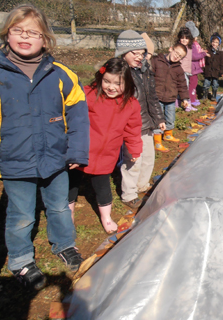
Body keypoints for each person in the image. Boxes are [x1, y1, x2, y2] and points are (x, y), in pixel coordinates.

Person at [0, 4, 88, 290]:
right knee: (22, 214)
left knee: (60, 207)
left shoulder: (61, 74)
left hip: (55, 158)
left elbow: (78, 115)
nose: (25, 36)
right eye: (18, 30)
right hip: (15, 160)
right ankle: (20, 260)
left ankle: (65, 244)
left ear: (45, 39)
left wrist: (76, 151)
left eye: (33, 32)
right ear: (7, 34)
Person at [68, 58, 142, 234]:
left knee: (103, 187)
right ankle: (67, 215)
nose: (111, 87)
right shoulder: (88, 95)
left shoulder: (130, 104)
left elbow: (133, 130)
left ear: (127, 83)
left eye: (118, 83)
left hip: (106, 155)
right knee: (70, 184)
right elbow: (71, 115)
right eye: (107, 81)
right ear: (100, 78)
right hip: (81, 151)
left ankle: (106, 217)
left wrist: (134, 149)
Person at [116, 30, 166, 209]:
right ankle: (129, 194)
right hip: (131, 125)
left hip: (147, 123)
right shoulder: (120, 74)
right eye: (134, 53)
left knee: (148, 158)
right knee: (133, 160)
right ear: (123, 53)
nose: (139, 57)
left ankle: (142, 184)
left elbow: (152, 97)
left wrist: (159, 118)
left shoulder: (145, 71)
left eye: (142, 53)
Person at [151, 43, 190, 147]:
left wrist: (185, 98)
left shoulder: (178, 69)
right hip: (157, 97)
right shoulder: (156, 61)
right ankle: (157, 140)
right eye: (176, 53)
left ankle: (168, 134)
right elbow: (149, 76)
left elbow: (182, 84)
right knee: (158, 118)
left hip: (171, 98)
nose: (177, 56)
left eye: (180, 56)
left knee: (170, 118)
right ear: (171, 49)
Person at [177, 23, 208, 111]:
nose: (184, 40)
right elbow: (194, 56)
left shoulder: (190, 46)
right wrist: (203, 54)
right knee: (185, 87)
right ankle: (186, 103)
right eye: (182, 38)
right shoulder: (185, 47)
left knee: (186, 86)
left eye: (186, 38)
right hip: (184, 70)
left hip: (187, 70)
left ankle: (187, 102)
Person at [203, 32, 223, 102]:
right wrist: (203, 69)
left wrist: (221, 71)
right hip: (208, 70)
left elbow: (222, 63)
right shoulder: (208, 51)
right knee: (206, 83)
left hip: (216, 71)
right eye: (213, 42)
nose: (214, 44)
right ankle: (205, 95)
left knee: (215, 84)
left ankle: (214, 95)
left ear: (219, 43)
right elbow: (204, 60)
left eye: (216, 42)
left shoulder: (221, 53)